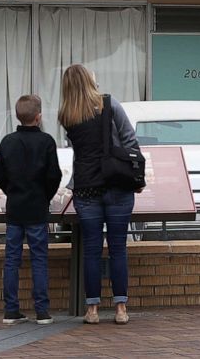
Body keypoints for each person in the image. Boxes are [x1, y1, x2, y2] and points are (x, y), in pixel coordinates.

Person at [58, 64, 140, 325]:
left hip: (86, 188)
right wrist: (134, 172)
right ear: (89, 80)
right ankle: (120, 309)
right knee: (118, 249)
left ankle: (92, 310)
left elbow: (77, 148)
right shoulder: (109, 103)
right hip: (117, 184)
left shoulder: (66, 114)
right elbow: (130, 139)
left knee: (92, 250)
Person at [0, 94, 61, 325]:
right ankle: (42, 310)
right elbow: (54, 176)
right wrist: (45, 196)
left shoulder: (8, 141)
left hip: (15, 209)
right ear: (39, 117)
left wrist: (11, 190)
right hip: (37, 209)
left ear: (18, 116)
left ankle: (11, 310)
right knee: (39, 259)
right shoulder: (47, 142)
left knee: (12, 259)